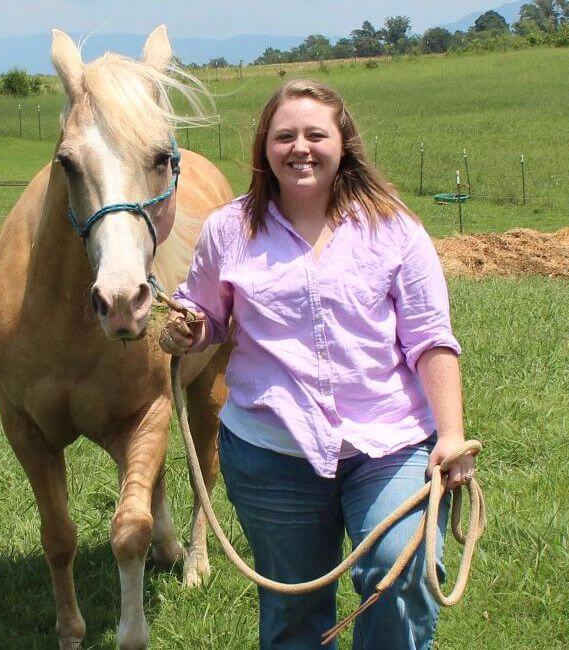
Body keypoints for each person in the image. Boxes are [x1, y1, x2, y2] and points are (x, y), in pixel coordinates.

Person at [159, 79, 475, 649]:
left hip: (390, 442)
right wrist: (189, 326)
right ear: (265, 148)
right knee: (293, 612)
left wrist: (450, 435)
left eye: (314, 135)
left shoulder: (394, 229)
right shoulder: (228, 230)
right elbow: (205, 311)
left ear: (343, 144)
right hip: (271, 452)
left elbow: (431, 338)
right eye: (284, 136)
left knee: (399, 576)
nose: (299, 148)